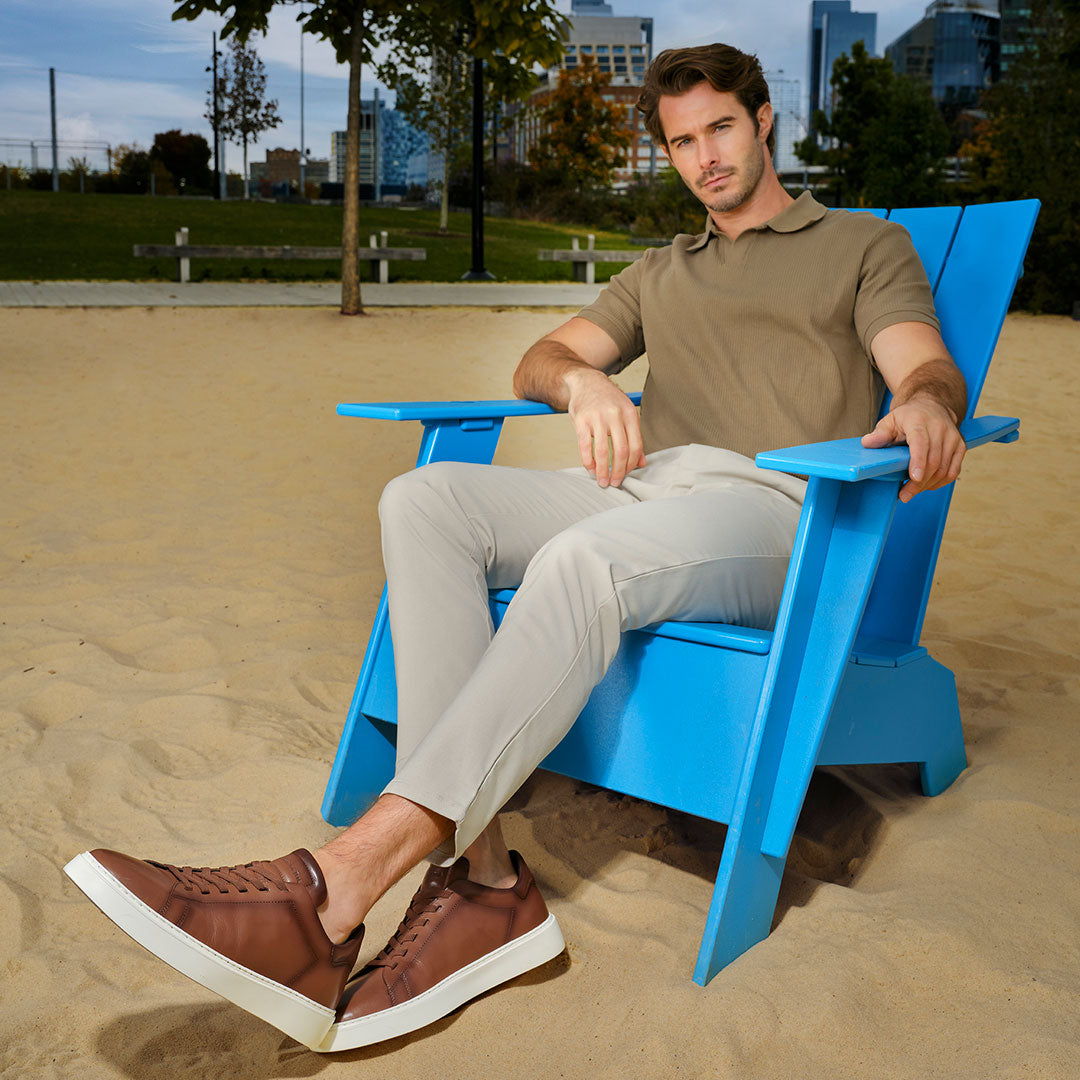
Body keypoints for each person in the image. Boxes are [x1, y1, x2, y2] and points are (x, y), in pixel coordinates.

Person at [64, 42, 967, 1053]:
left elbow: (921, 365)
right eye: (681, 141)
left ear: (763, 121)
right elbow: (545, 355)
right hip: (643, 494)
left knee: (576, 564)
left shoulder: (860, 244)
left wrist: (927, 405)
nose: (705, 156)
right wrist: (583, 384)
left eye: (720, 127)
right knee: (426, 501)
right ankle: (485, 884)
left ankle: (337, 887)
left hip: (777, 509)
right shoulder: (665, 269)